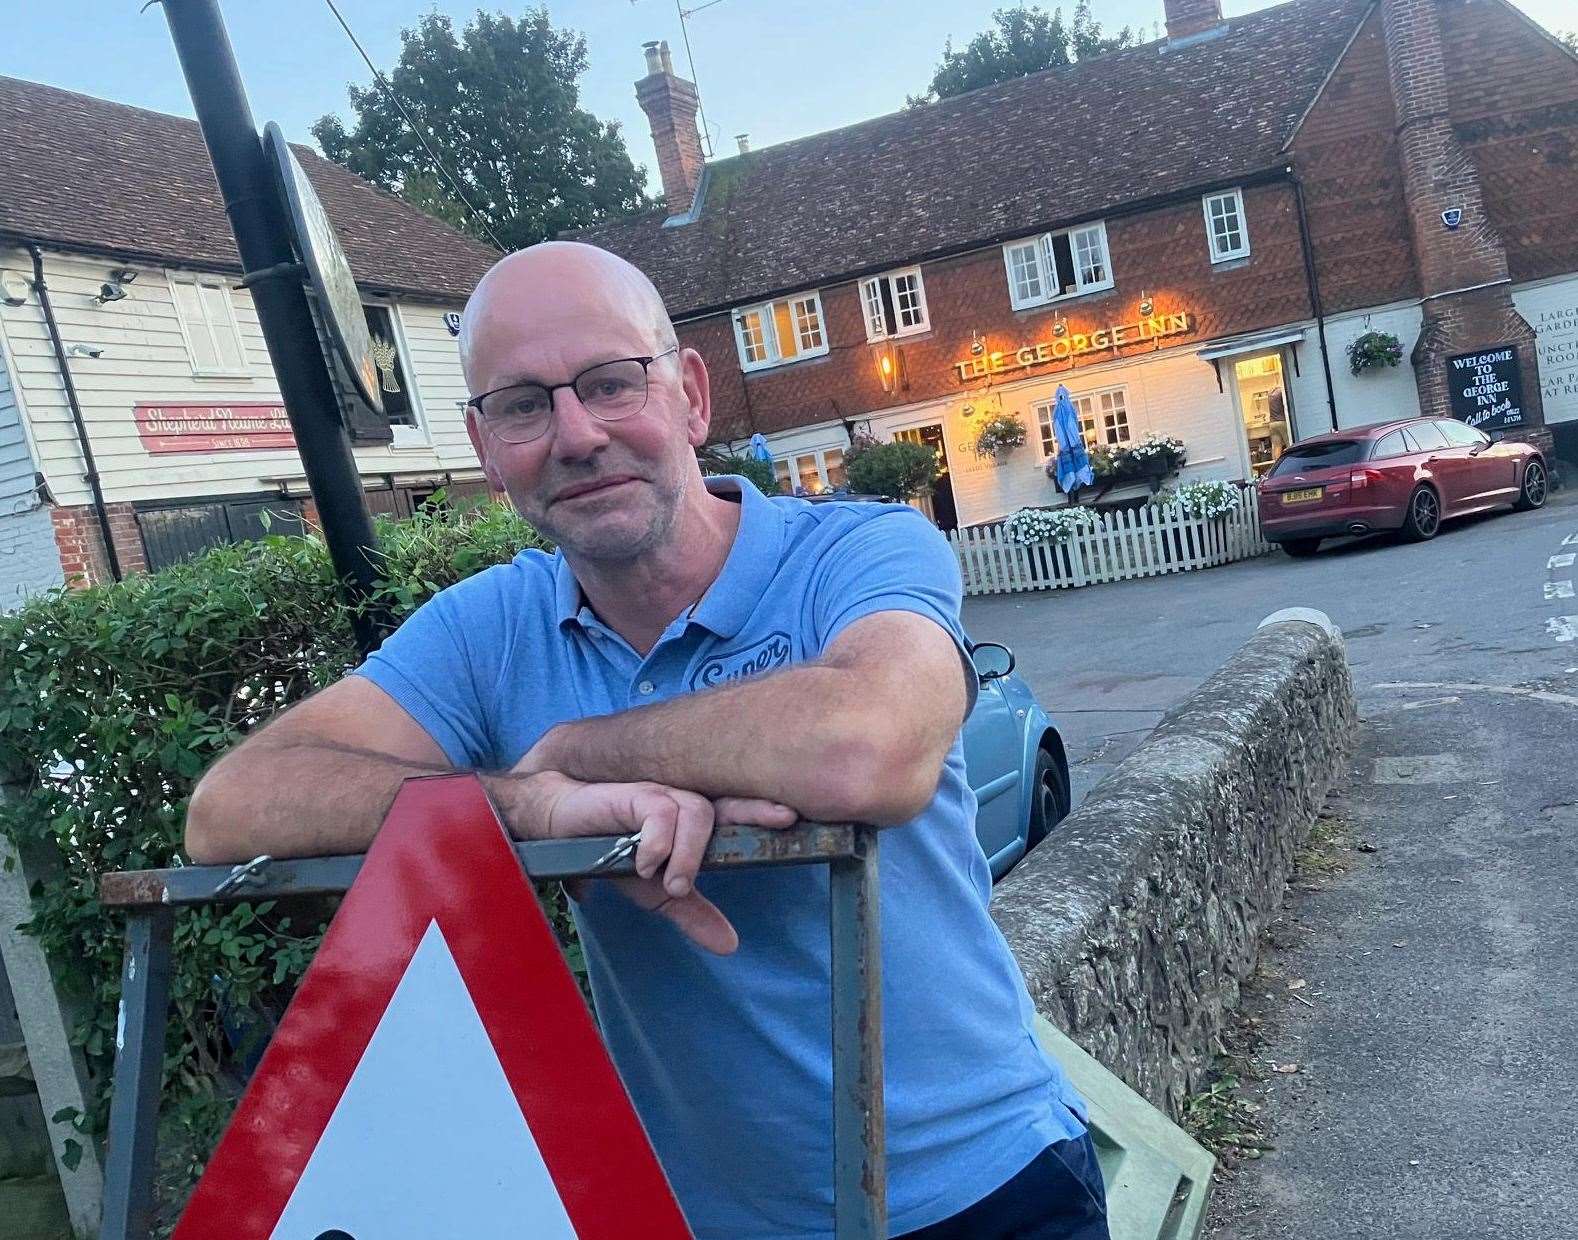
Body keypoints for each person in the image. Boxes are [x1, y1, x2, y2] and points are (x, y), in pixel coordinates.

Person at [186, 241, 1107, 1240]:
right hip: (705, 1224)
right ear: (486, 446)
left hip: (989, 1193)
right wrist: (528, 809)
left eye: (610, 384)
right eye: (524, 405)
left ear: (691, 396)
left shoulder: (859, 548)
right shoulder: (489, 628)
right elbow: (229, 805)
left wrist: (576, 751)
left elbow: (866, 745)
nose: (576, 435)